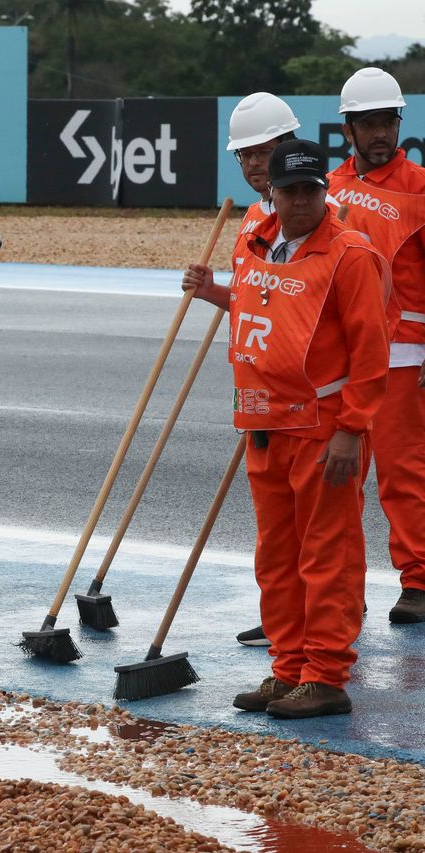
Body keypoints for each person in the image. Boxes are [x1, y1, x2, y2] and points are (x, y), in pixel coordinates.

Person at [183, 139, 390, 718]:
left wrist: (352, 429)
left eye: (311, 190)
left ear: (324, 190)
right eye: (291, 190)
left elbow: (371, 354)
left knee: (327, 556)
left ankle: (325, 675)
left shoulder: (350, 255)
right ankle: (289, 668)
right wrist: (212, 293)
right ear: (270, 193)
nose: (302, 201)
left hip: (323, 431)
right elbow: (260, 308)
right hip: (263, 422)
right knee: (276, 557)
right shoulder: (255, 243)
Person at [328, 67, 425, 625]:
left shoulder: (420, 188)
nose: (379, 132)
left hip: (404, 352)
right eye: (367, 123)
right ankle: (345, 590)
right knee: (340, 479)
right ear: (349, 129)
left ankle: (418, 581)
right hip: (342, 360)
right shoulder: (330, 190)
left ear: (398, 124)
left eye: (386, 121)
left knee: (403, 472)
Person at [224, 92, 300, 648]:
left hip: (309, 400)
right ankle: (284, 619)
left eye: (262, 150)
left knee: (318, 530)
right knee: (275, 531)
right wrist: (213, 293)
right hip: (258, 398)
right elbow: (254, 303)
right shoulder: (252, 219)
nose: (253, 163)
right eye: (244, 155)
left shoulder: (318, 216)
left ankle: (322, 624)